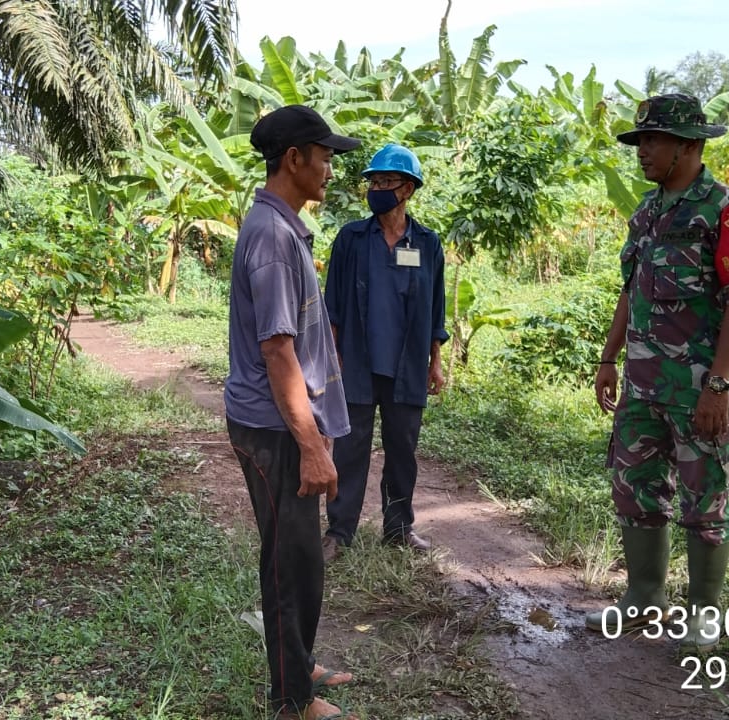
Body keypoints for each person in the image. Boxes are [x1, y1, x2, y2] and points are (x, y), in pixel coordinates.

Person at [584, 94, 729, 651]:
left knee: (705, 496)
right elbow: (630, 289)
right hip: (642, 385)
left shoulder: (725, 210)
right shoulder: (647, 211)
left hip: (696, 388)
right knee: (634, 488)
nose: (643, 152)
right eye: (641, 141)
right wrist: (609, 357)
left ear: (690, 146)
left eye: (654, 141)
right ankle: (642, 599)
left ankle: (705, 611)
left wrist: (718, 384)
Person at [226, 104, 362, 720]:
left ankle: (298, 664)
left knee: (298, 552)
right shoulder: (274, 240)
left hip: (284, 425)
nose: (331, 168)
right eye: (325, 156)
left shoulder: (280, 228)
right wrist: (310, 443)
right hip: (275, 430)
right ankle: (291, 702)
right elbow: (278, 351)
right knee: (292, 560)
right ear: (294, 160)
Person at [321, 144, 448, 562]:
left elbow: (436, 309)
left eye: (385, 182)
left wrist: (435, 361)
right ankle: (339, 533)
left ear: (407, 189)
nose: (376, 189)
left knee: (402, 450)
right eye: (373, 182)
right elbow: (333, 305)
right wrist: (332, 359)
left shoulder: (427, 244)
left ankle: (399, 529)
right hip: (356, 362)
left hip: (406, 365)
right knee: (350, 448)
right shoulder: (352, 239)